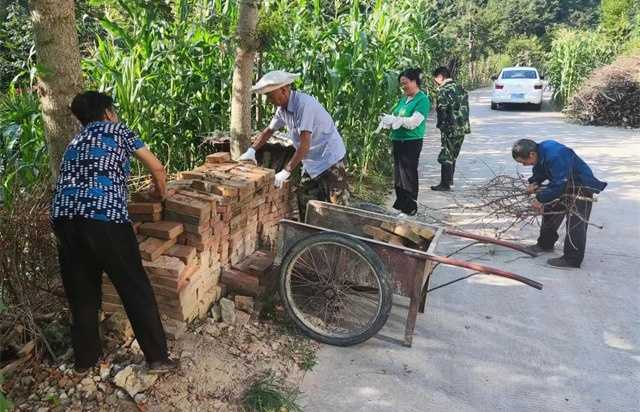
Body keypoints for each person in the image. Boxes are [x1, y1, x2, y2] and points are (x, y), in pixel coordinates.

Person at [50, 91, 176, 373]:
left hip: (63, 219)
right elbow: (156, 167)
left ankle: (86, 361)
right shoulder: (118, 131)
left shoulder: (75, 141)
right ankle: (157, 358)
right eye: (113, 110)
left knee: (81, 294)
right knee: (134, 286)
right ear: (107, 112)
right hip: (103, 216)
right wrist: (161, 193)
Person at [238, 70, 350, 220]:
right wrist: (252, 150)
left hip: (330, 159)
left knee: (338, 205)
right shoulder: (282, 110)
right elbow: (268, 131)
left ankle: (342, 241)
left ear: (284, 90)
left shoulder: (304, 105)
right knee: (305, 199)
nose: (269, 100)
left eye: (271, 96)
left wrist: (286, 171)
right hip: (312, 162)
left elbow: (304, 145)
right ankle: (310, 237)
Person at [512, 139, 607, 268]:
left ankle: (572, 260)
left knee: (575, 224)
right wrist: (534, 182)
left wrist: (540, 199)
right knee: (550, 212)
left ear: (532, 154)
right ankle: (545, 245)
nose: (524, 165)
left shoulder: (555, 155)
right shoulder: (541, 151)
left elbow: (559, 184)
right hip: (564, 184)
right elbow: (540, 169)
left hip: (580, 186)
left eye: (523, 162)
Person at [376, 68, 431, 216]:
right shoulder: (403, 99)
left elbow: (414, 122)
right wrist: (387, 120)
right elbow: (395, 115)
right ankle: (401, 204)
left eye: (405, 83)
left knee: (408, 174)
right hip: (398, 140)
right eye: (401, 84)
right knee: (399, 175)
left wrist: (397, 120)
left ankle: (410, 207)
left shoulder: (422, 100)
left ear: (414, 81)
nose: (404, 87)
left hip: (411, 141)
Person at [431, 66, 470, 191]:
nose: (435, 82)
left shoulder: (443, 90)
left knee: (446, 154)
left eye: (435, 79)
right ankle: (449, 180)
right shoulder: (460, 88)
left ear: (440, 77)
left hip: (450, 127)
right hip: (462, 127)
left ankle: (445, 184)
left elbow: (442, 110)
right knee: (453, 154)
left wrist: (441, 126)